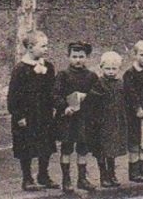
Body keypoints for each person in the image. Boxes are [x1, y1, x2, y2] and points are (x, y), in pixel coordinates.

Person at [8, 30, 58, 192]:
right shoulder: (21, 69)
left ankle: (43, 175)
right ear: (30, 47)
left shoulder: (48, 67)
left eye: (47, 46)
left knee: (46, 144)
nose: (46, 49)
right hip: (27, 115)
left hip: (44, 113)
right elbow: (14, 95)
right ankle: (27, 178)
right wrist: (19, 115)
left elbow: (52, 90)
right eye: (42, 46)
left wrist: (58, 106)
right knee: (26, 146)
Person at [54, 41, 98, 193]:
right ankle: (66, 179)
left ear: (87, 57)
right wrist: (64, 107)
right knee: (66, 149)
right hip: (68, 118)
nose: (78, 60)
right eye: (74, 56)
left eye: (81, 56)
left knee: (83, 149)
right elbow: (55, 94)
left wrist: (86, 96)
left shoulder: (91, 76)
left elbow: (97, 94)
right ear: (68, 57)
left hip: (84, 118)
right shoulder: (63, 75)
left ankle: (82, 179)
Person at [89, 51, 126, 188]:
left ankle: (112, 173)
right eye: (107, 69)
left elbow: (123, 101)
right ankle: (103, 175)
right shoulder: (99, 83)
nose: (111, 72)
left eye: (114, 69)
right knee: (102, 149)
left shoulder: (120, 83)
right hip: (102, 121)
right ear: (101, 68)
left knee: (112, 148)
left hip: (115, 121)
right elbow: (93, 102)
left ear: (119, 69)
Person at [122, 40, 143, 183]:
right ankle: (134, 170)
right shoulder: (130, 73)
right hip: (134, 114)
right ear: (135, 55)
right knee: (135, 142)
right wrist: (137, 108)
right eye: (142, 55)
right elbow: (130, 93)